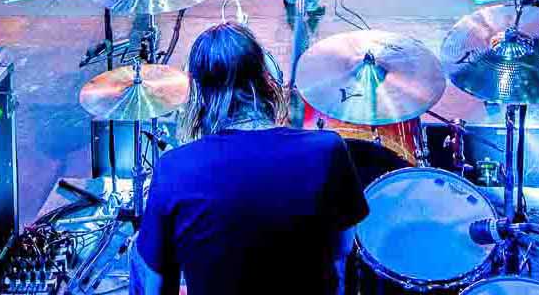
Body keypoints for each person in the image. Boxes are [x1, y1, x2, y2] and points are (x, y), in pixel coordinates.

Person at [131, 23, 369, 295]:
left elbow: (158, 287)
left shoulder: (175, 169)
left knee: (141, 252)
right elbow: (342, 253)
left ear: (199, 95)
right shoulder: (327, 149)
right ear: (266, 78)